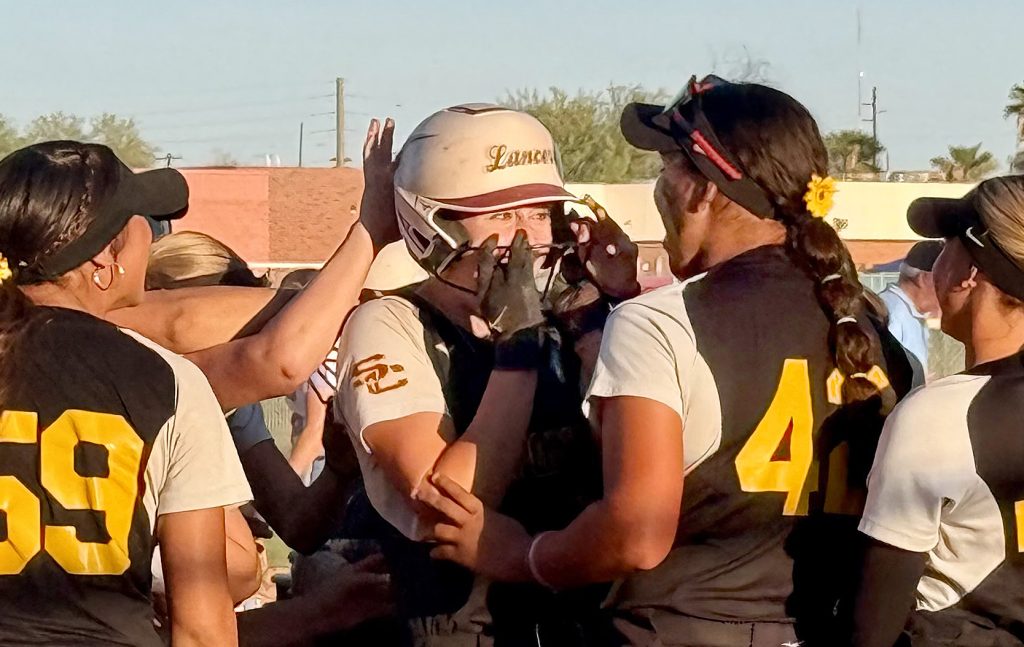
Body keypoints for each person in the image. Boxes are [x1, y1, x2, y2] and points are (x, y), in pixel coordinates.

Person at [416, 77, 915, 646]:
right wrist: (600, 310)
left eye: (665, 167)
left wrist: (521, 554)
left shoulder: (660, 323)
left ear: (702, 191)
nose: (658, 187)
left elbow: (636, 535)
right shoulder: (872, 329)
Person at [331, 103, 639, 646]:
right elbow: (447, 500)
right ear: (434, 226)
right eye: (500, 216)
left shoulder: (564, 323)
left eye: (538, 214)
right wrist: (517, 352)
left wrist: (598, 318)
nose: (526, 235)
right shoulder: (390, 322)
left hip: (579, 618)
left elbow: (636, 464)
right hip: (461, 626)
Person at [0, 141, 251, 645]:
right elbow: (202, 629)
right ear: (102, 256)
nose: (151, 238)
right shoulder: (169, 380)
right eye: (143, 222)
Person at [852, 176, 1024, 647]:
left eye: (946, 246)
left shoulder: (939, 416)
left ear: (969, 272)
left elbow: (872, 627)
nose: (937, 264)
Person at [879, 240, 944, 377]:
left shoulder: (911, 314)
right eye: (945, 278)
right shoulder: (891, 313)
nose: (949, 288)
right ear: (923, 279)